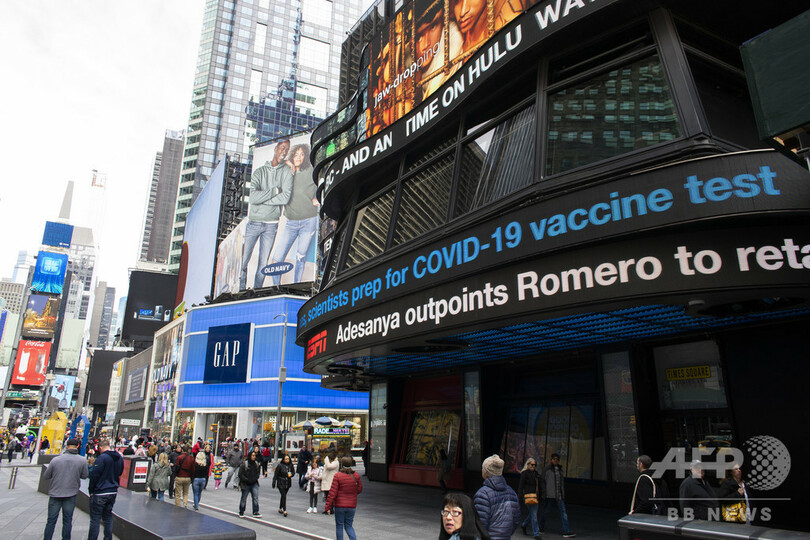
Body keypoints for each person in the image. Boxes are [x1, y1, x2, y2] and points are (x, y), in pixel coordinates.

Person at [239, 138, 293, 290]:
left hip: (271, 225)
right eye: (282, 148)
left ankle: (257, 291)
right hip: (254, 222)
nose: (284, 151)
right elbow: (253, 198)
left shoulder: (287, 172)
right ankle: (241, 291)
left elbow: (286, 197)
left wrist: (264, 201)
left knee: (263, 264)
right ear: (276, 149)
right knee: (243, 261)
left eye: (287, 149)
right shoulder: (259, 172)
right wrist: (275, 191)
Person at [268, 143, 319, 285]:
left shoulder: (310, 170)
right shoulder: (286, 171)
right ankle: (276, 288)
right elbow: (274, 163)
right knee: (276, 259)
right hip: (291, 222)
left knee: (300, 257)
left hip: (309, 221)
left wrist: (318, 198)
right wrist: (287, 162)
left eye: (302, 155)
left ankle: (297, 285)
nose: (299, 157)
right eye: (296, 154)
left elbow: (324, 177)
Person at [42, 438, 88, 540]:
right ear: (78, 446)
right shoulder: (82, 460)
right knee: (67, 520)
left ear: (67, 446)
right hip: (71, 494)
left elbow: (46, 475)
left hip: (55, 493)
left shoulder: (56, 460)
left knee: (51, 520)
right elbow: (85, 476)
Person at [473, 454, 520, 540]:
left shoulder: (483, 494)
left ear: (485, 472)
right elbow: (516, 520)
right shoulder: (512, 493)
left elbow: (480, 524)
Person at [87, 439, 123, 540]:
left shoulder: (102, 458)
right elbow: (120, 472)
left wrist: (91, 490)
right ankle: (108, 538)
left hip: (101, 491)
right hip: (113, 490)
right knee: (108, 517)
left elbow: (95, 475)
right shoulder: (119, 457)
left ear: (100, 447)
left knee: (95, 519)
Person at [325, 456, 363, 540]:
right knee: (349, 526)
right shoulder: (356, 475)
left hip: (340, 505)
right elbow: (359, 489)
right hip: (352, 505)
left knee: (339, 526)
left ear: (341, 464)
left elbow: (332, 493)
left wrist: (328, 506)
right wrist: (352, 494)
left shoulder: (338, 476)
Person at [540, 454, 575, 537]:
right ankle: (541, 527)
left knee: (563, 513)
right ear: (551, 460)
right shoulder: (547, 469)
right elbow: (542, 481)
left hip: (559, 495)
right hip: (549, 495)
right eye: (554, 459)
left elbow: (561, 483)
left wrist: (562, 493)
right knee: (545, 512)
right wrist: (544, 493)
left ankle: (566, 531)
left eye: (557, 459)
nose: (556, 460)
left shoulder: (560, 470)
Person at [518, 457, 542, 540]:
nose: (533, 466)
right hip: (527, 496)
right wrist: (520, 496)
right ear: (528, 464)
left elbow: (539, 486)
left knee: (532, 514)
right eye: (532, 464)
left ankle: (524, 525)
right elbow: (521, 485)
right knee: (534, 514)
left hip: (535, 496)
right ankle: (536, 534)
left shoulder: (536, 474)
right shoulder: (525, 473)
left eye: (535, 465)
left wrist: (541, 495)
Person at [238, 450, 262, 518]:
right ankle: (241, 511)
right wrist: (246, 479)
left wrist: (255, 478)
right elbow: (240, 474)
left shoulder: (256, 464)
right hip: (246, 483)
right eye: (253, 456)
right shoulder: (244, 464)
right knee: (244, 497)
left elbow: (258, 472)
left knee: (255, 497)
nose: (254, 457)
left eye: (255, 456)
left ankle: (255, 511)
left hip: (254, 483)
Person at [174, 444, 196, 509]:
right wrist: (191, 477)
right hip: (187, 477)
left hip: (180, 476)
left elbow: (176, 467)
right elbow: (193, 469)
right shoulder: (191, 458)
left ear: (182, 450)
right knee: (185, 493)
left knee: (178, 494)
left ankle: (178, 506)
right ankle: (185, 504)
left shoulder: (179, 457)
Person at [321, 449, 339, 515]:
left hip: (331, 481)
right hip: (326, 480)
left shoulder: (335, 462)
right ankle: (327, 508)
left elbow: (329, 467)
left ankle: (330, 509)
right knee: (327, 496)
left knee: (330, 496)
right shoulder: (330, 463)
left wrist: (326, 460)